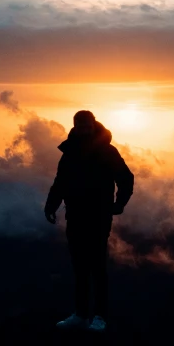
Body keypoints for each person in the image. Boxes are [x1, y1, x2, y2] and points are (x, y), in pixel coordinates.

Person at [44, 110, 134, 332]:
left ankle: (100, 316)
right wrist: (51, 205)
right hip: (75, 215)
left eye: (87, 126)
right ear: (75, 126)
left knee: (97, 267)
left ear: (93, 125)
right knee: (80, 267)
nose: (84, 129)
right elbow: (60, 181)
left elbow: (126, 178)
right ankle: (82, 314)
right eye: (80, 126)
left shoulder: (107, 151)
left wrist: (119, 204)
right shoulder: (69, 152)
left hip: (98, 216)